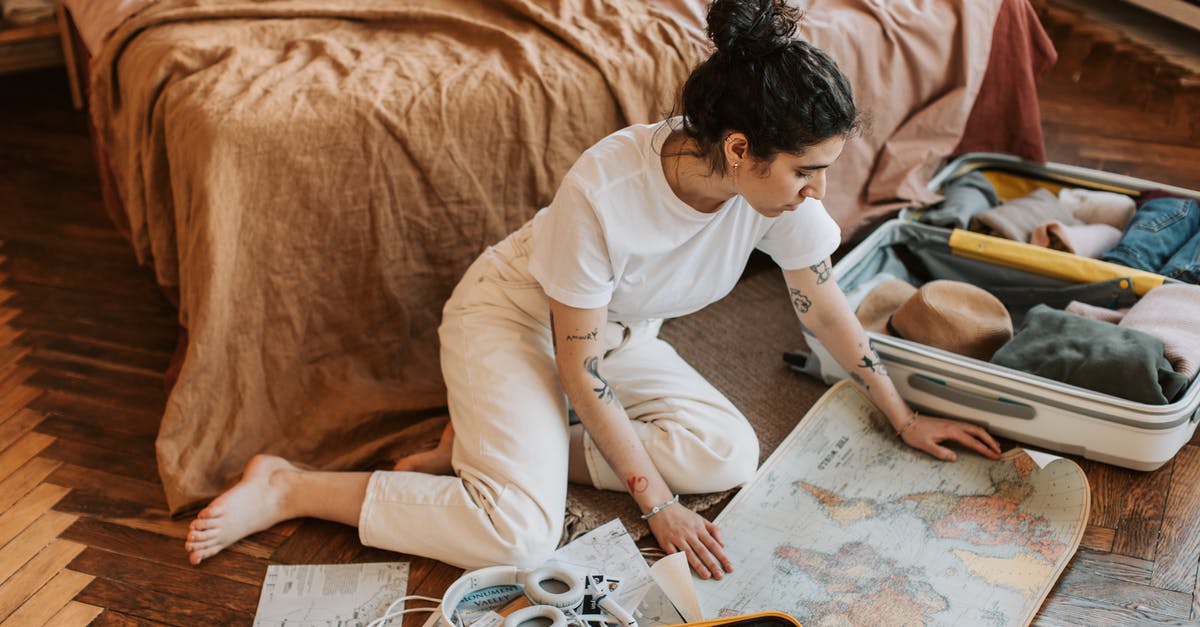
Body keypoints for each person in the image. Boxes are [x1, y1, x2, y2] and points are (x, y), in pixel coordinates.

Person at [184, 0, 1001, 580]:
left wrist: (902, 411)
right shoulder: (605, 193)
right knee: (518, 536)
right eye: (807, 171)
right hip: (511, 325)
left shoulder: (769, 192)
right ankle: (288, 482)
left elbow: (821, 302)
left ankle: (483, 454)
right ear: (743, 147)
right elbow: (581, 374)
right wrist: (657, 508)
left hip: (621, 336)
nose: (819, 192)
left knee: (730, 450)